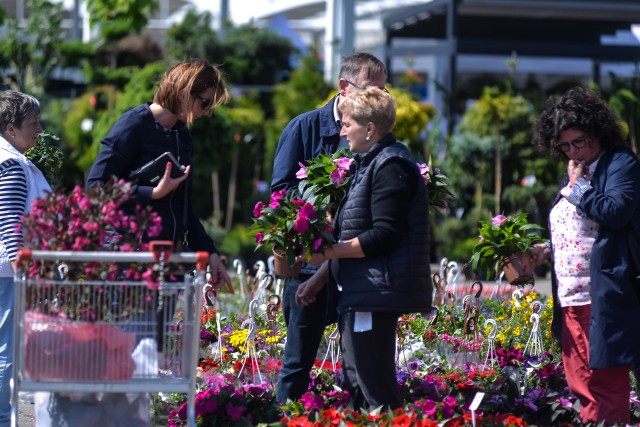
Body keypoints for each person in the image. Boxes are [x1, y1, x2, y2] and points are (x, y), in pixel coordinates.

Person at [296, 87, 432, 410]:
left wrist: (327, 253)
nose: (342, 131)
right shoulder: (369, 163)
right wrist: (318, 278)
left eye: (347, 123)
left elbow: (384, 235)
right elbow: (356, 232)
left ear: (369, 129)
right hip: (363, 292)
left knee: (374, 386)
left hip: (376, 293)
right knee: (359, 381)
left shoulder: (390, 165)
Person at [271, 52, 388, 405]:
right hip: (310, 263)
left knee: (358, 365)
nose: (376, 100)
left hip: (356, 263)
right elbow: (280, 193)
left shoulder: (376, 134)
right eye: (370, 90)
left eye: (382, 92)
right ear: (343, 87)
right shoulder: (305, 127)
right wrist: (323, 201)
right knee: (297, 361)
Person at [530, 86, 640, 425]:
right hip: (570, 297)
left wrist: (578, 188)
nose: (573, 151)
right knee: (580, 382)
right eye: (565, 145)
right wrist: (543, 250)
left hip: (603, 293)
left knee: (605, 380)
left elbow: (617, 211)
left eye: (579, 141)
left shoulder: (620, 163)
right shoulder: (577, 168)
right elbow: (574, 228)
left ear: (597, 131)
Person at [87, 58, 231, 287]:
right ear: (185, 92)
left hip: (169, 262)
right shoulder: (134, 124)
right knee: (136, 324)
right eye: (205, 103)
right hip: (133, 260)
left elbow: (183, 207)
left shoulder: (181, 136)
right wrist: (150, 193)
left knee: (162, 324)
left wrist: (209, 251)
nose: (206, 113)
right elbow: (96, 186)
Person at [0, 90, 51, 426]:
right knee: (6, 351)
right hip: (9, 274)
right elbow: (10, 226)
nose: (39, 129)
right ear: (10, 128)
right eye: (33, 123)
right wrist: (25, 274)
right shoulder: (13, 165)